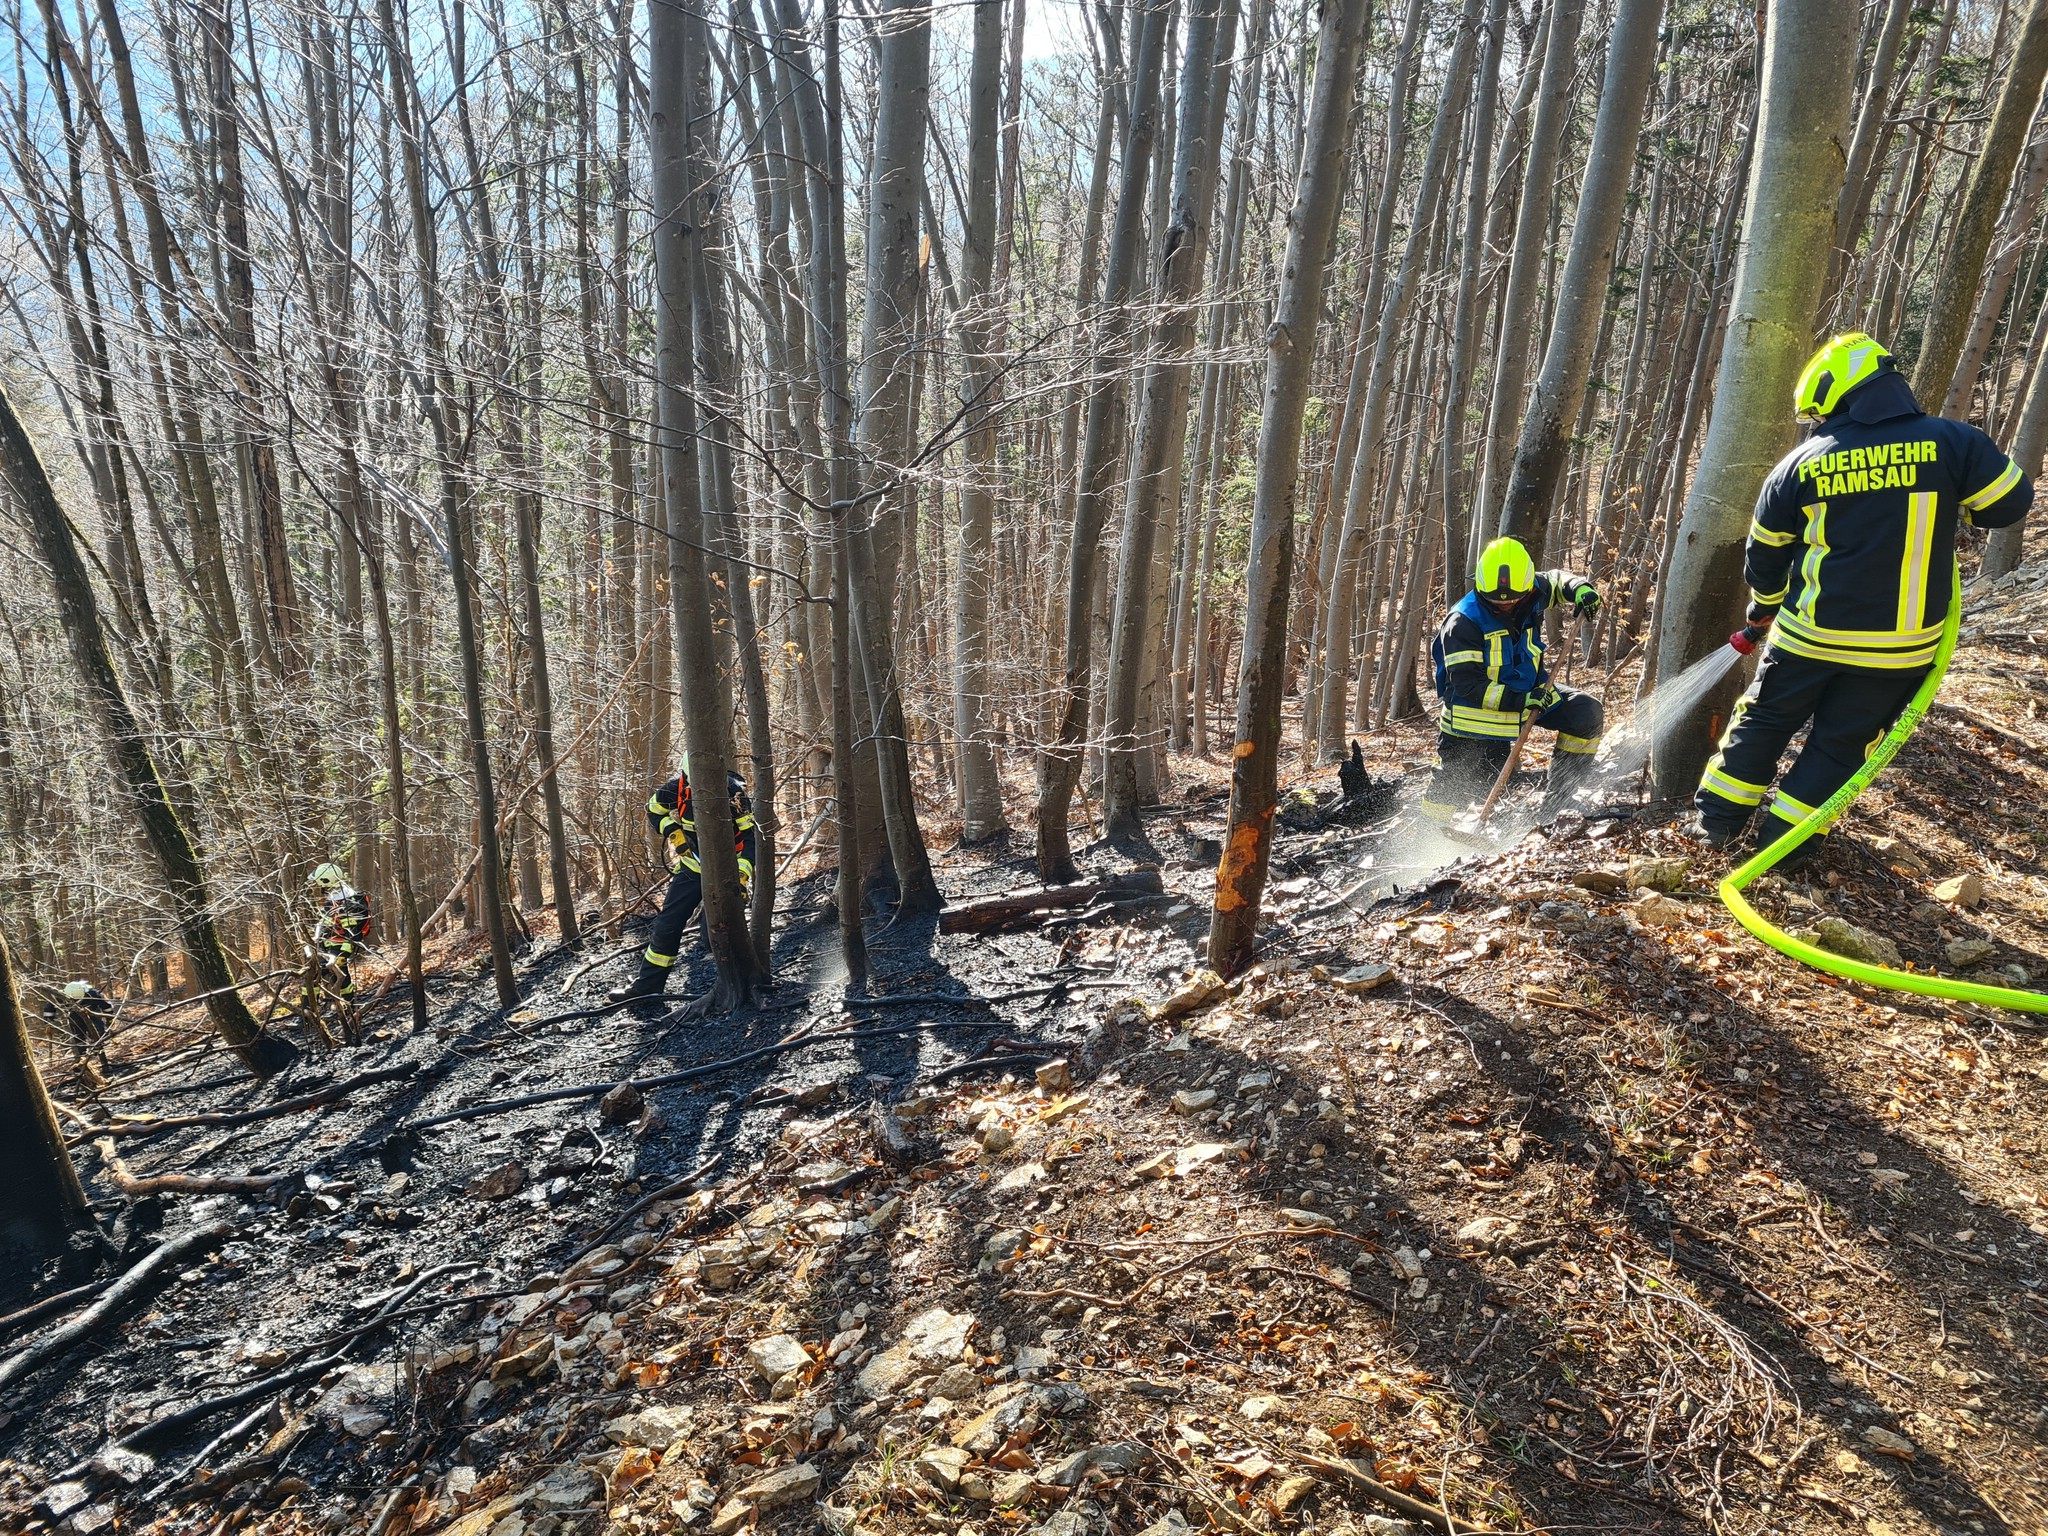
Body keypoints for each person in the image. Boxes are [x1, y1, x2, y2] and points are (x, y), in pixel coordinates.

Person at [1693, 332, 2032, 861]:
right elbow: (2010, 506)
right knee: (1842, 745)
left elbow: (1765, 555)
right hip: (1901, 647)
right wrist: (1959, 503)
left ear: (1839, 398)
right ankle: (1784, 852)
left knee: (1765, 719)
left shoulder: (1799, 464)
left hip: (1810, 636)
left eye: (1822, 416)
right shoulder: (1954, 443)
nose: (1821, 427)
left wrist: (1764, 609)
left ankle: (1715, 829)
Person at [1422, 537, 1605, 823]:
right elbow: (1466, 685)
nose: (1505, 605)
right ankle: (1429, 835)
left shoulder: (1531, 591)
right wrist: (1520, 700)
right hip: (1476, 714)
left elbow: (1557, 580)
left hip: (1531, 692)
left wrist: (1581, 589)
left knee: (1585, 713)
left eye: (1514, 599)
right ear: (1481, 587)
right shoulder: (1464, 622)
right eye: (1496, 601)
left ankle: (1558, 803)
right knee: (1455, 784)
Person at [608, 757, 758, 1010]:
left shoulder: (734, 794)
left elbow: (751, 840)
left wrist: (741, 876)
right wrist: (672, 831)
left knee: (720, 931)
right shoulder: (674, 789)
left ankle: (739, 984)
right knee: (667, 926)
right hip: (692, 867)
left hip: (726, 870)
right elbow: (653, 809)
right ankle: (647, 988)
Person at [307, 862, 372, 1002]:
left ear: (325, 880)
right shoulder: (335, 897)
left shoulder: (346, 901)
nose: (318, 886)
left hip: (340, 945)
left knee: (335, 974)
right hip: (330, 943)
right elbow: (328, 923)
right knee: (316, 972)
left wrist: (343, 954)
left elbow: (352, 932)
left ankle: (348, 1007)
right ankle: (311, 1010)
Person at [44, 979, 113, 1074]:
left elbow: (107, 1007)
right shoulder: (60, 996)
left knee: (99, 1035)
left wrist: (109, 1019)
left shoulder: (92, 994)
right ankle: (82, 1065)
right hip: (75, 1019)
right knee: (78, 1039)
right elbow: (49, 1008)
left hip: (93, 1015)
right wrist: (49, 1021)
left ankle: (104, 1063)